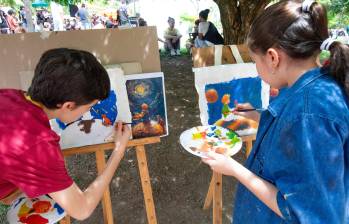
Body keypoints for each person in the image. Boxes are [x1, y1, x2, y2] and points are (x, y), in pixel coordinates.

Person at [202, 1, 349, 223]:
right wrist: (259, 116)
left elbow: (302, 213)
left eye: (254, 61)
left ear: (273, 58)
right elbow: (294, 139)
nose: (256, 69)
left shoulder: (309, 115)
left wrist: (233, 168)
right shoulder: (318, 86)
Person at [0, 48, 131, 221]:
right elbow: (81, 210)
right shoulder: (39, 146)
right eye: (90, 107)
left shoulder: (8, 94)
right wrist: (118, 152)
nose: (89, 112)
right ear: (69, 106)